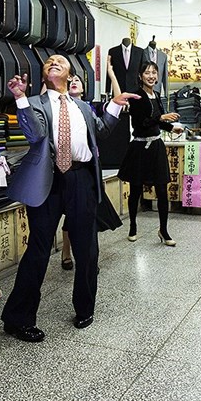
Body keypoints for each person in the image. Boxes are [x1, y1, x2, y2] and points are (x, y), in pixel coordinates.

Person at [0, 55, 138, 342]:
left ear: (70, 74)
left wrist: (115, 104)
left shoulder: (82, 106)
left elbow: (100, 132)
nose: (53, 62)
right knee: (38, 250)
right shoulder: (34, 104)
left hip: (81, 179)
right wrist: (21, 98)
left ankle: (85, 308)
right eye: (49, 61)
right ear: (43, 75)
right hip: (47, 182)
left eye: (60, 61)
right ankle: (18, 319)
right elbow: (36, 135)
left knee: (87, 249)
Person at [59, 70, 122, 270]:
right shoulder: (59, 106)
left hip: (91, 166)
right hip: (67, 166)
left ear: (84, 88)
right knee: (71, 212)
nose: (74, 82)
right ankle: (66, 252)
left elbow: (117, 102)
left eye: (78, 80)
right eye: (71, 80)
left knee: (89, 211)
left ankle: (88, 255)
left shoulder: (91, 107)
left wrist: (112, 75)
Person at [118, 60, 183, 246]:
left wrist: (171, 128)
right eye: (147, 72)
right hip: (139, 148)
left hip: (156, 146)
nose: (152, 76)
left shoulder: (156, 94)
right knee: (136, 189)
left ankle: (163, 230)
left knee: (162, 190)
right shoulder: (136, 96)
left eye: (154, 72)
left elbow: (157, 123)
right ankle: (132, 226)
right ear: (140, 76)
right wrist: (160, 117)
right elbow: (141, 123)